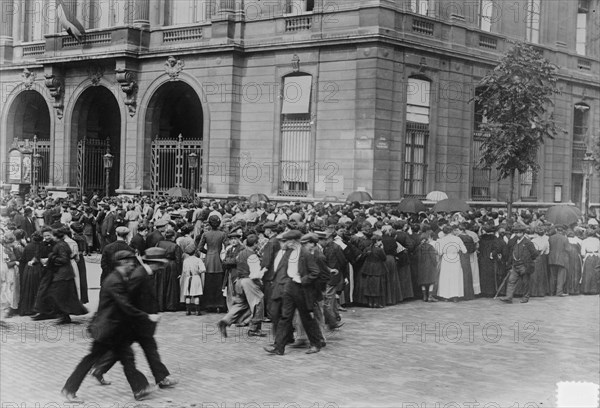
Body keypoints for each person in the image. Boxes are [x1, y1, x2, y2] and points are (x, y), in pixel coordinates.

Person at [61, 250, 157, 403]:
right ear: (123, 263)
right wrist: (147, 316)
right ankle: (69, 389)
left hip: (116, 329)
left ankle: (139, 389)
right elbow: (125, 306)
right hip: (107, 329)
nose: (133, 265)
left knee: (128, 359)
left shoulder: (119, 277)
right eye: (130, 262)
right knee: (90, 360)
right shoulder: (114, 281)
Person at [90, 248, 178, 390]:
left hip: (139, 321)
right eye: (161, 264)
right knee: (136, 349)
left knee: (139, 348)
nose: (162, 267)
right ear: (155, 263)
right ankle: (159, 379)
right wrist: (143, 316)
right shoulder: (139, 275)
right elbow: (127, 298)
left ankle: (100, 369)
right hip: (136, 322)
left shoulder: (144, 273)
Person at [263, 230, 323, 355]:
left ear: (295, 241)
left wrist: (303, 280)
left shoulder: (305, 254)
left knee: (306, 317)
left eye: (289, 241)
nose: (287, 243)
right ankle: (279, 347)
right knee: (285, 317)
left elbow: (315, 272)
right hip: (289, 286)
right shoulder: (288, 253)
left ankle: (316, 343)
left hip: (302, 288)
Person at [217, 234, 266, 337]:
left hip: (238, 281)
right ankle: (255, 328)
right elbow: (255, 274)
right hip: (249, 281)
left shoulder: (241, 253)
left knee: (240, 304)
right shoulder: (252, 255)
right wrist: (260, 281)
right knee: (258, 302)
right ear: (255, 244)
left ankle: (225, 321)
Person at [45, 227, 88, 324]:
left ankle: (64, 315)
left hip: (63, 274)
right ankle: (65, 316)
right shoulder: (63, 244)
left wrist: (52, 258)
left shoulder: (60, 245)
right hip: (66, 273)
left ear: (56, 236)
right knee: (64, 295)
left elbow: (64, 259)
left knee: (57, 294)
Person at [500, 224, 538, 304]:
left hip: (524, 265)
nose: (517, 234)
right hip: (515, 265)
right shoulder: (514, 242)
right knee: (511, 281)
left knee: (525, 282)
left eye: (519, 232)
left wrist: (528, 262)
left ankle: (525, 297)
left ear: (523, 233)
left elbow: (534, 254)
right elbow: (511, 252)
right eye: (516, 232)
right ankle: (509, 297)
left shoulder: (528, 243)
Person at [197, 215, 227, 312]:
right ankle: (218, 304)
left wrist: (208, 252)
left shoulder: (205, 234)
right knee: (218, 283)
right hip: (218, 259)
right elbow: (226, 246)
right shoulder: (223, 234)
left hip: (209, 260)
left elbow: (200, 248)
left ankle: (208, 304)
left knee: (208, 283)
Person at [180, 241, 205, 315]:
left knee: (188, 295)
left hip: (188, 278)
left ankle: (188, 311)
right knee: (196, 295)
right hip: (196, 278)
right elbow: (203, 269)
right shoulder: (198, 260)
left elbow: (184, 271)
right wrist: (198, 271)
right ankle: (197, 311)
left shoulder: (185, 261)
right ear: (195, 251)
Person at [548, 225, 570, 297]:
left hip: (552, 258)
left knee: (552, 276)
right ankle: (559, 292)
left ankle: (551, 292)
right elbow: (568, 249)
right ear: (562, 231)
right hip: (561, 259)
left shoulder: (550, 238)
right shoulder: (564, 238)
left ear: (556, 230)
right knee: (561, 276)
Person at [580, 229, 600, 295]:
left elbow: (582, 253)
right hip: (597, 257)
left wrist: (584, 256)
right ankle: (596, 289)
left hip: (589, 257)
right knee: (596, 273)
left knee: (588, 273)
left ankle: (587, 289)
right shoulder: (597, 240)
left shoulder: (584, 241)